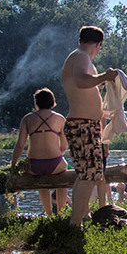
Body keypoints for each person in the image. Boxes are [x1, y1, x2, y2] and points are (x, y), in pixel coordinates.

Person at [61, 26, 118, 225]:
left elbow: (86, 86)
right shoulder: (81, 57)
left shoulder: (79, 58)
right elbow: (80, 81)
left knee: (84, 175)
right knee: (89, 176)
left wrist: (102, 84)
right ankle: (75, 223)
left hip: (84, 124)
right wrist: (104, 76)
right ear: (98, 44)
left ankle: (80, 217)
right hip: (82, 124)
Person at [12, 88, 70, 216]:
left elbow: (20, 145)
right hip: (55, 164)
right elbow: (64, 145)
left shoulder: (27, 119)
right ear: (52, 102)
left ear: (36, 103)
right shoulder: (60, 118)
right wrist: (57, 155)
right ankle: (60, 214)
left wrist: (13, 165)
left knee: (42, 186)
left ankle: (49, 214)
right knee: (63, 180)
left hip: (33, 165)